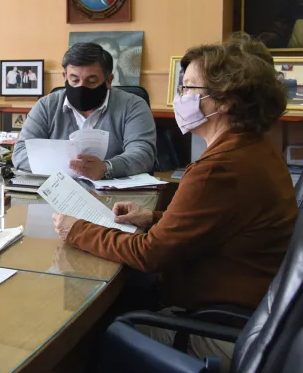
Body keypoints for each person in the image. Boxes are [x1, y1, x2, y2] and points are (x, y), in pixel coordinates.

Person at [53, 35, 297, 364]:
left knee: (85, 334)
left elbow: (149, 254)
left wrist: (77, 230)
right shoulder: (253, 149)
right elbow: (217, 223)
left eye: (188, 88)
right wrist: (152, 218)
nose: (179, 98)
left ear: (225, 100)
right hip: (247, 313)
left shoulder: (220, 168)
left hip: (217, 329)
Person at [12, 42, 156, 179]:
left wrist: (106, 168)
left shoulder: (133, 105)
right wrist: (72, 166)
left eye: (91, 81)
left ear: (108, 81)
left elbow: (143, 155)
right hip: (58, 190)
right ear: (65, 77)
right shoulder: (46, 106)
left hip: (114, 192)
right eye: (74, 80)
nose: (81, 87)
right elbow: (20, 153)